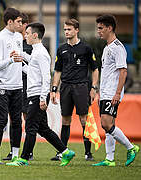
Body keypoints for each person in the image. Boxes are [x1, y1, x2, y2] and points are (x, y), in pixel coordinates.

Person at [5, 22, 75, 167]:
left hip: (37, 96)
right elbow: (32, 71)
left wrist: (43, 97)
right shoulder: (36, 52)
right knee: (43, 129)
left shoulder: (41, 53)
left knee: (30, 128)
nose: (25, 36)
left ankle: (23, 159)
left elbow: (46, 77)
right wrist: (20, 58)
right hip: (34, 95)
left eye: (27, 33)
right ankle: (66, 151)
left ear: (35, 35)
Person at [92, 14, 140, 167]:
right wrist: (100, 92)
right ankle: (109, 159)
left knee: (106, 124)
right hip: (105, 92)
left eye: (101, 28)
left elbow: (123, 71)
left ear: (109, 28)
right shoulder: (107, 47)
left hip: (113, 92)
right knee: (109, 125)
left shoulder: (118, 47)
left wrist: (117, 93)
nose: (98, 31)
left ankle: (131, 148)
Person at [50, 18, 99, 161]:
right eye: (65, 29)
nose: (66, 32)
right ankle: (62, 152)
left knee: (84, 119)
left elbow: (95, 69)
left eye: (69, 29)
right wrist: (54, 89)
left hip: (81, 87)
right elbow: (57, 71)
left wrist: (94, 87)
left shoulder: (86, 48)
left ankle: (88, 153)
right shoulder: (61, 49)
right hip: (65, 87)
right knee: (65, 120)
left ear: (76, 30)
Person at [0, 7, 23, 164]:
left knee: (17, 121)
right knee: (2, 120)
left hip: (17, 85)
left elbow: (20, 60)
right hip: (2, 85)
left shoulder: (19, 36)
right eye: (19, 21)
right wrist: (10, 60)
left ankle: (15, 155)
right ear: (10, 22)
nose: (21, 24)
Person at [3, 12, 34, 161]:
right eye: (18, 22)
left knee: (28, 118)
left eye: (22, 23)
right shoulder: (12, 40)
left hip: (29, 84)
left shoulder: (32, 43)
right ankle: (12, 150)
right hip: (14, 82)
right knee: (14, 118)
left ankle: (28, 151)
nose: (20, 25)